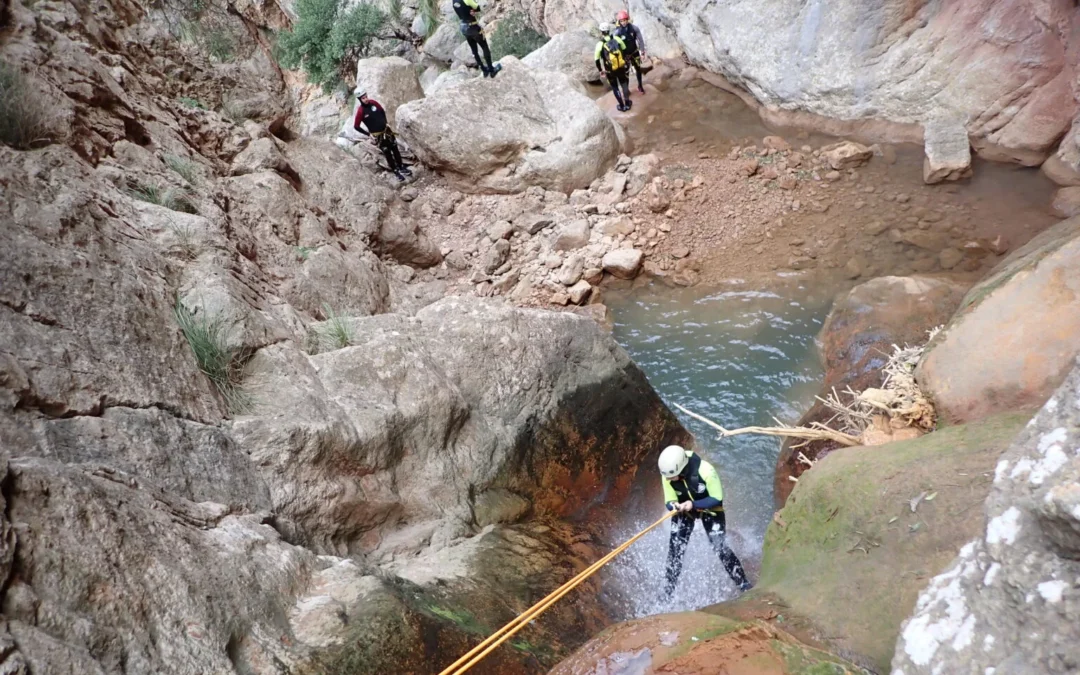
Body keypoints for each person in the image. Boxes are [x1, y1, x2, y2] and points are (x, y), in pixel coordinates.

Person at [658, 444, 752, 597]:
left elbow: (716, 498)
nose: (668, 479)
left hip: (709, 507)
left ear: (681, 468)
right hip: (684, 509)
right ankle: (668, 590)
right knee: (675, 549)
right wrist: (674, 505)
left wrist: (693, 504)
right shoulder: (667, 474)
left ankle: (743, 583)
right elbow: (669, 499)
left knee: (719, 546)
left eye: (672, 477)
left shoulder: (706, 471)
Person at [353, 91, 410, 182]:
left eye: (366, 96)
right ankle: (395, 170)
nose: (366, 99)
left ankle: (401, 166)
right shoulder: (361, 111)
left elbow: (382, 111)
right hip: (378, 136)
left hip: (387, 131)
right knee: (387, 153)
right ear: (360, 99)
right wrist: (368, 134)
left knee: (395, 149)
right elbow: (356, 126)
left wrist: (385, 122)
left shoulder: (373, 103)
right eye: (363, 98)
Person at [452, 0, 501, 78]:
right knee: (484, 46)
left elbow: (461, 10)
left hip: (464, 27)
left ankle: (484, 70)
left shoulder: (454, 1)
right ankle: (492, 70)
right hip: (473, 27)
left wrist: (469, 10)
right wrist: (471, 9)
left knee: (474, 49)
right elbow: (478, 8)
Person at [595, 23, 632, 112]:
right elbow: (625, 49)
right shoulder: (616, 39)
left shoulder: (600, 44)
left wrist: (600, 70)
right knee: (624, 84)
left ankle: (622, 106)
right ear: (609, 30)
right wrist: (625, 61)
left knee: (615, 87)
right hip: (620, 66)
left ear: (601, 32)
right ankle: (627, 103)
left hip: (610, 70)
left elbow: (596, 59)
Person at [614, 10, 647, 94]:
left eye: (624, 20)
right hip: (625, 55)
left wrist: (642, 52)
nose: (623, 22)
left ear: (627, 19)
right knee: (626, 73)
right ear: (619, 22)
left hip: (634, 52)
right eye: (621, 21)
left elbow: (640, 40)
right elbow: (615, 45)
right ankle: (626, 90)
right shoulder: (617, 32)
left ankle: (640, 86)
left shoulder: (634, 28)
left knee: (638, 69)